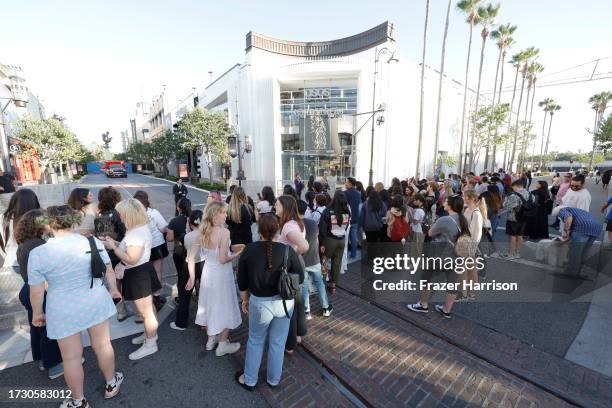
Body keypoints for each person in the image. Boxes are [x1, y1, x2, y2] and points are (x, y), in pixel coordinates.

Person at [29, 205, 123, 408]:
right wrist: (114, 290)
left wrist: (37, 312)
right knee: (103, 345)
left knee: (71, 358)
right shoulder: (92, 241)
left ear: (47, 225)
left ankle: (79, 401)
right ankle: (111, 383)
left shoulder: (38, 253)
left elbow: (36, 291)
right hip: (95, 300)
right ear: (73, 221)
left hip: (62, 308)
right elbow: (108, 270)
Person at [235, 214, 304, 391]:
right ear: (277, 230)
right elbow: (300, 277)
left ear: (259, 230)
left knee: (255, 341)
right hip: (283, 303)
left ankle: (250, 380)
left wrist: (245, 300)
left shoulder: (249, 250)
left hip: (259, 303)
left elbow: (241, 280)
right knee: (277, 343)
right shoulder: (287, 251)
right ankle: (274, 380)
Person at [102, 198, 161, 360]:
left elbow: (131, 258)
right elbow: (130, 249)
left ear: (128, 214)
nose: (118, 216)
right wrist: (115, 242)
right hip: (141, 271)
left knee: (146, 312)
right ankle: (150, 335)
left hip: (137, 274)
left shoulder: (136, 232)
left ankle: (150, 343)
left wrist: (113, 247)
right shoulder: (138, 228)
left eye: (120, 213)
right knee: (148, 310)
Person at [15, 209, 63, 379]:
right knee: (49, 329)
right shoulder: (40, 245)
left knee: (37, 328)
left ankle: (43, 360)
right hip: (40, 290)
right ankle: (56, 365)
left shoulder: (24, 245)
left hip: (28, 290)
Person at [190, 201, 243, 355]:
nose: (226, 215)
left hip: (208, 273)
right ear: (215, 214)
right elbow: (223, 259)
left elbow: (191, 257)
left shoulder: (202, 231)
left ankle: (210, 339)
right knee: (225, 306)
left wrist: (192, 277)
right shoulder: (223, 232)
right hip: (221, 274)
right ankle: (222, 345)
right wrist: (238, 253)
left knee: (209, 305)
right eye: (224, 212)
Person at [407, 195, 470, 319]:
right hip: (458, 256)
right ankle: (446, 310)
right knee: (452, 283)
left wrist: (432, 226)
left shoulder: (445, 219)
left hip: (442, 255)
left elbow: (430, 233)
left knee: (427, 278)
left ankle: (423, 304)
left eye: (446, 201)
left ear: (450, 205)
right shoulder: (463, 219)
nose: (444, 202)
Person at [274, 195, 309, 354]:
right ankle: (298, 335)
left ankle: (290, 344)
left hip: (291, 268)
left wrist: (288, 257)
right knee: (298, 301)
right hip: (298, 265)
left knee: (289, 304)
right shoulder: (296, 222)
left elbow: (304, 245)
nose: (275, 206)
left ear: (285, 207)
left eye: (277, 204)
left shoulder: (288, 226)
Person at [0, 189, 40, 305]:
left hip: (13, 262)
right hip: (37, 260)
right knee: (40, 295)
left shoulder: (3, 218)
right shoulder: (38, 217)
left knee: (26, 297)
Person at [94, 187, 128, 320]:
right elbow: (125, 235)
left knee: (115, 282)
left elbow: (100, 237)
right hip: (121, 252)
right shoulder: (118, 214)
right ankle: (137, 312)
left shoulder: (100, 216)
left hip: (107, 255)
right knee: (127, 279)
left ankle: (121, 311)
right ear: (115, 198)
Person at [133, 191, 168, 311]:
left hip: (141, 247)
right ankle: (157, 297)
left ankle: (147, 298)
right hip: (157, 245)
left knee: (145, 273)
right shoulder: (153, 213)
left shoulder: (133, 214)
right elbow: (163, 227)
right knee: (157, 271)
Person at [297, 200, 331, 320]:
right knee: (320, 284)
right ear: (305, 210)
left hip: (302, 261)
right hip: (315, 259)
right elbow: (316, 239)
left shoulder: (294, 225)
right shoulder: (312, 223)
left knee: (304, 286)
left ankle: (307, 311)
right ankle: (326, 308)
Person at [173, 210, 204, 326]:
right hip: (204, 264)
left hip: (190, 265)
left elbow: (187, 251)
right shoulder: (207, 233)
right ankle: (204, 321)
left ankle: (181, 322)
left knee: (184, 292)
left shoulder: (187, 236)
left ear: (190, 223)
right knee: (205, 293)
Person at [552, 206, 601, 278]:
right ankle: (579, 272)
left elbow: (568, 217)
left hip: (583, 227)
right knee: (584, 252)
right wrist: (564, 242)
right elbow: (573, 237)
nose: (561, 218)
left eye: (559, 216)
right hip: (596, 228)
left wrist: (566, 230)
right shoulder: (578, 211)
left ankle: (570, 272)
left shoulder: (562, 210)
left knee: (575, 252)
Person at [166, 198, 192, 330]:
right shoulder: (196, 218)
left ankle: (181, 319)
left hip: (180, 253)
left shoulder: (174, 221)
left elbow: (169, 238)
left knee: (182, 281)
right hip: (196, 254)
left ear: (179, 208)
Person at [319, 191, 350, 294]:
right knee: (337, 263)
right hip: (341, 240)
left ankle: (322, 283)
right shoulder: (347, 212)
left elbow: (322, 229)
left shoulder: (328, 211)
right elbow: (346, 227)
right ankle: (333, 286)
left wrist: (322, 243)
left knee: (324, 261)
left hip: (329, 240)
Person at [458, 190, 486, 301]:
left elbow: (477, 233)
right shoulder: (467, 210)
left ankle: (467, 294)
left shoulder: (476, 213)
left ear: (470, 198)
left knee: (468, 270)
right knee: (469, 269)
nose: (463, 198)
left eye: (465, 196)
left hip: (470, 245)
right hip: (465, 243)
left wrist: (472, 248)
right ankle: (468, 293)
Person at [502, 180, 533, 259]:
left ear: (517, 186)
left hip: (513, 218)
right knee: (520, 235)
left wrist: (505, 200)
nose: (513, 189)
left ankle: (510, 254)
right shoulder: (529, 194)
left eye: (513, 187)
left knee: (512, 236)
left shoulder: (514, 195)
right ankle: (517, 253)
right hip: (524, 217)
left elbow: (507, 207)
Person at [343, 177, 361, 259]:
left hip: (347, 217)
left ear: (350, 183)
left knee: (345, 237)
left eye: (346, 182)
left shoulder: (345, 193)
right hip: (356, 217)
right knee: (353, 236)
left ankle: (345, 254)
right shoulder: (358, 193)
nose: (345, 183)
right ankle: (353, 254)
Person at [410, 195, 426, 259]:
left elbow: (415, 222)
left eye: (415, 200)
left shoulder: (419, 211)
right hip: (422, 230)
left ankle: (417, 263)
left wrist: (411, 213)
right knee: (419, 247)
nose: (414, 202)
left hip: (418, 230)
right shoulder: (424, 208)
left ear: (419, 201)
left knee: (417, 248)